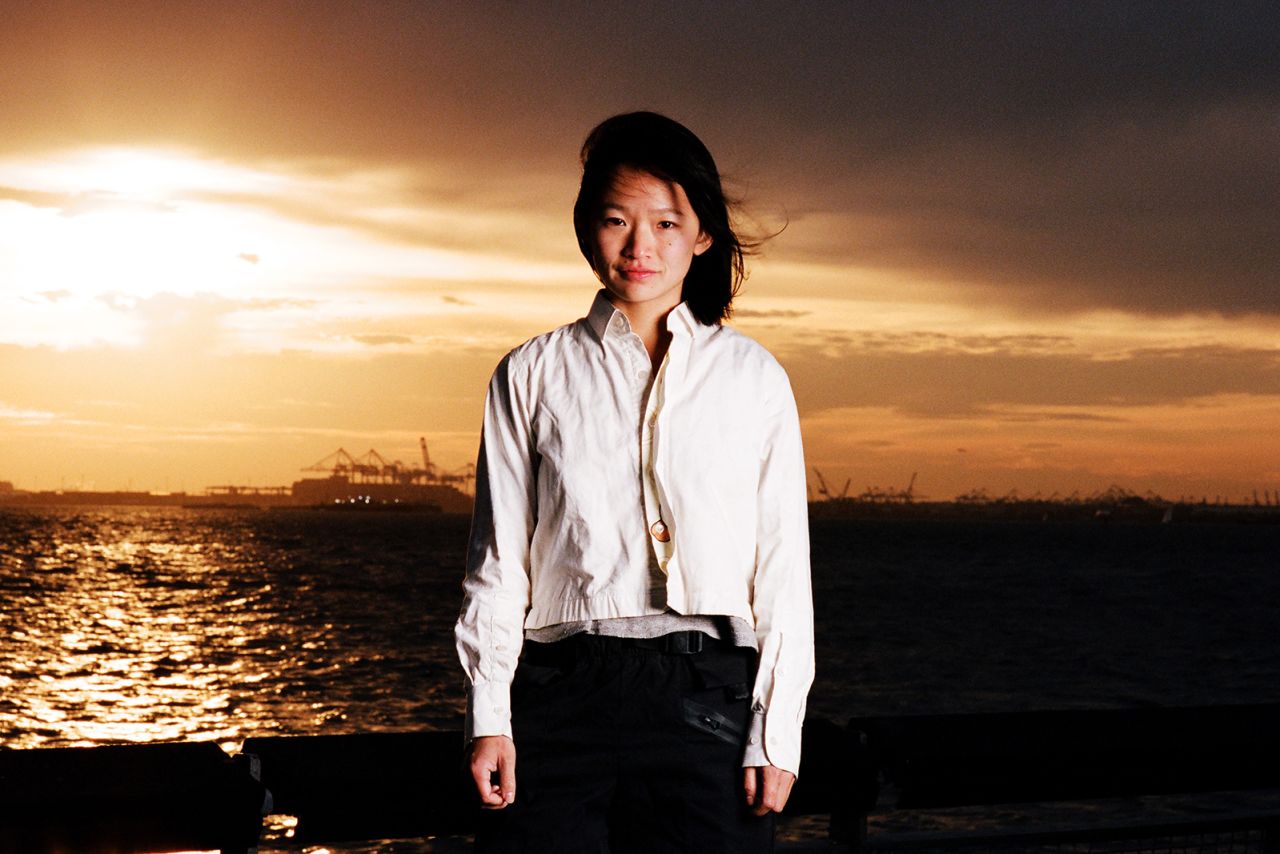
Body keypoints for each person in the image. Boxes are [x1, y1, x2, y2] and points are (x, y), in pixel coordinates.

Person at [455, 111, 814, 853]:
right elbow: (497, 566)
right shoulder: (530, 373)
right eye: (617, 220)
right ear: (587, 226)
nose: (640, 246)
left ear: (703, 234)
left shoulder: (754, 379)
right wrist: (489, 715)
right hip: (562, 699)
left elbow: (783, 570)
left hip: (709, 703)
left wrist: (776, 733)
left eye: (666, 223)